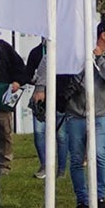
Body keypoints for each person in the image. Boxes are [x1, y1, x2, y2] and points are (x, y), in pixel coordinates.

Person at [35, 18, 105, 208]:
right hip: (75, 114)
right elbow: (49, 59)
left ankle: (100, 198)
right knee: (76, 159)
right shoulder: (77, 48)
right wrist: (40, 87)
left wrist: (99, 59)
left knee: (99, 154)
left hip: (100, 115)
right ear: (103, 35)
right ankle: (82, 201)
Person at [26, 40, 67, 179]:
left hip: (61, 99)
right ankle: (45, 165)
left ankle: (61, 170)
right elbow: (28, 74)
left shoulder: (66, 53)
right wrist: (37, 82)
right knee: (39, 132)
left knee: (61, 136)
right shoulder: (36, 53)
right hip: (42, 100)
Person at [0, 38, 27, 175]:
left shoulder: (2, 47)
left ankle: (4, 165)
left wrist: (17, 81)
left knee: (4, 131)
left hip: (2, 98)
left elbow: (19, 67)